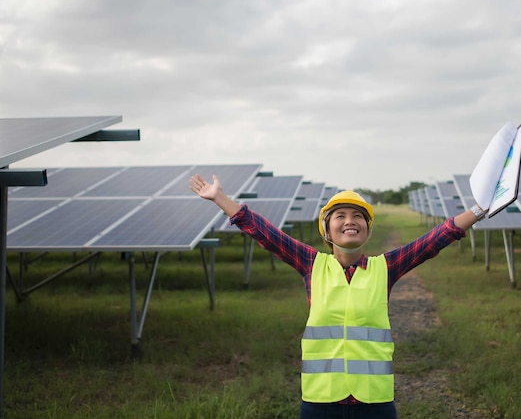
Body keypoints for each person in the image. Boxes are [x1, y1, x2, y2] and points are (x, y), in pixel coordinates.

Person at [189, 174, 487, 419]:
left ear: (367, 230)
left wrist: (477, 211)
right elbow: (267, 234)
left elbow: (434, 240)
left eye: (358, 216)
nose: (350, 221)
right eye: (340, 216)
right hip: (320, 401)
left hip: (375, 403)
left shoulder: (385, 267)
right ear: (327, 230)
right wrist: (220, 198)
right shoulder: (312, 264)